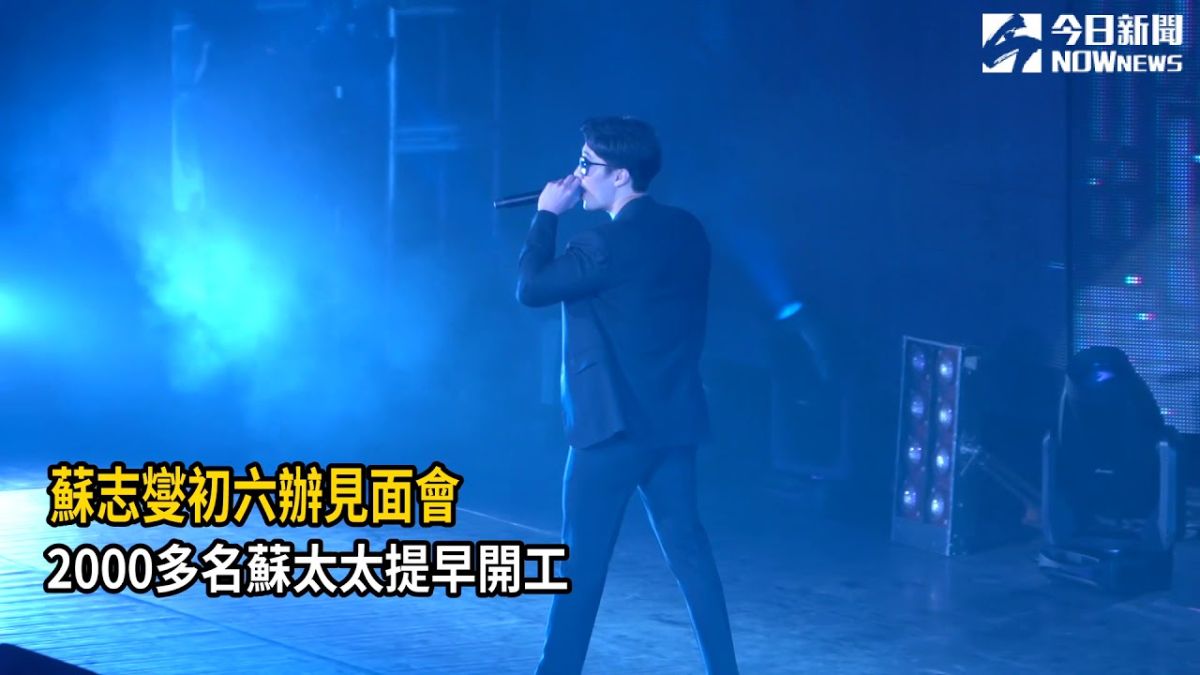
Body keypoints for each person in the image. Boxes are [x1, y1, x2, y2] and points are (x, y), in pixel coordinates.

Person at [516, 116, 738, 674]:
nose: (576, 175)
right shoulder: (687, 230)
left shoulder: (601, 243)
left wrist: (546, 215)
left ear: (619, 175)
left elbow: (531, 288)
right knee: (690, 554)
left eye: (586, 165)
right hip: (673, 421)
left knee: (581, 566)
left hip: (610, 427)